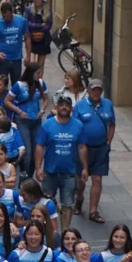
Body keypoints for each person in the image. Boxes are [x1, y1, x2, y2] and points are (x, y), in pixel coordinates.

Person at [35, 94, 88, 232]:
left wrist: (85, 168)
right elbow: (40, 146)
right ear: (56, 107)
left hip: (69, 173)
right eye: (62, 104)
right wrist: (38, 167)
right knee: (46, 203)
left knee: (67, 204)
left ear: (71, 108)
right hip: (49, 172)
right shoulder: (47, 125)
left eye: (67, 105)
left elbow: (82, 147)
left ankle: (65, 232)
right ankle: (48, 231)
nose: (64, 107)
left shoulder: (78, 125)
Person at [72, 79, 116, 223]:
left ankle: (93, 211)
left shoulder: (107, 104)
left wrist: (109, 141)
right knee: (81, 179)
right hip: (83, 148)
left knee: (97, 179)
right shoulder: (80, 106)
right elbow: (74, 125)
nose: (96, 92)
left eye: (99, 90)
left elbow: (112, 124)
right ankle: (79, 198)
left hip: (101, 148)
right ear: (88, 90)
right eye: (93, 90)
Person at [5, 65, 47, 178]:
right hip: (22, 121)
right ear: (31, 73)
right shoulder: (19, 85)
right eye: (38, 73)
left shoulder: (41, 83)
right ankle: (23, 176)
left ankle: (29, 176)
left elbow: (46, 98)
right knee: (27, 152)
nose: (40, 75)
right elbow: (7, 101)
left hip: (36, 121)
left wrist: (42, 110)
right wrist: (19, 111)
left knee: (36, 151)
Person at [0, 0, 29, 84]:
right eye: (4, 17)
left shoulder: (22, 21)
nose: (6, 19)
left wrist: (28, 55)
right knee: (2, 82)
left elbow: (27, 38)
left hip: (16, 58)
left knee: (16, 83)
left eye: (8, 16)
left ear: (12, 13)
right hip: (3, 59)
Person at [24, 0, 53, 74]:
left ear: (43, 0)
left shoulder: (47, 10)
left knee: (40, 65)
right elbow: (26, 24)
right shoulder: (29, 9)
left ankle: (39, 80)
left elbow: (49, 25)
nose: (36, 0)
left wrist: (38, 29)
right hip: (32, 39)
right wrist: (39, 26)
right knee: (32, 65)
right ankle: (32, 79)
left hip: (44, 39)